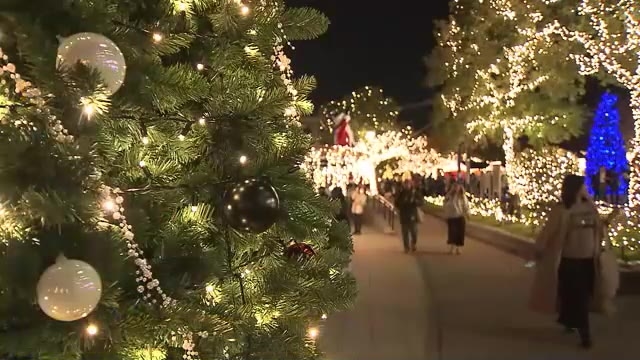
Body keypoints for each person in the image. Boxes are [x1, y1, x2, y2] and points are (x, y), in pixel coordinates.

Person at [529, 174, 608, 349]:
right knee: (577, 297)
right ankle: (585, 334)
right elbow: (549, 231)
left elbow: (600, 230)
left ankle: (569, 320)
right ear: (574, 188)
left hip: (589, 260)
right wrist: (539, 249)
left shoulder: (590, 208)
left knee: (582, 296)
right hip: (570, 261)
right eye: (582, 185)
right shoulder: (562, 209)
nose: (585, 188)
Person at [395, 179, 422, 253]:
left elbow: (420, 202)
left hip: (412, 214)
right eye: (405, 184)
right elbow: (396, 203)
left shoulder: (415, 192)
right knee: (405, 232)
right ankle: (406, 247)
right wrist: (403, 202)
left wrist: (415, 202)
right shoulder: (401, 193)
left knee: (414, 231)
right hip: (404, 215)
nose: (407, 186)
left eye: (408, 184)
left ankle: (413, 243)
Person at [443, 183, 469, 255]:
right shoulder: (449, 196)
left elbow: (466, 206)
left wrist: (467, 214)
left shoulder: (462, 196)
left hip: (460, 216)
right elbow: (445, 204)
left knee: (460, 233)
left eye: (457, 187)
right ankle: (452, 247)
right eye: (454, 187)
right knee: (452, 232)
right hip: (451, 216)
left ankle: (458, 248)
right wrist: (446, 214)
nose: (456, 189)